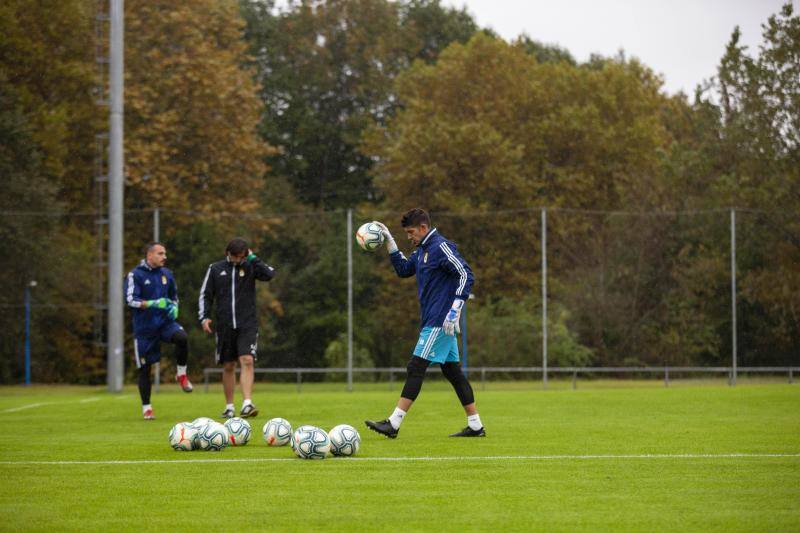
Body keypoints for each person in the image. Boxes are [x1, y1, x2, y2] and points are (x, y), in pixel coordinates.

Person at [365, 208, 485, 438]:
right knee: (452, 372)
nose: (409, 237)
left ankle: (393, 423)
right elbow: (403, 270)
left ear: (423, 227)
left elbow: (465, 274)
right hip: (434, 319)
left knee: (415, 367)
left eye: (411, 232)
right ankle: (476, 425)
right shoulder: (422, 251)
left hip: (440, 320)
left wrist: (456, 308)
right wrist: (389, 241)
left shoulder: (440, 247)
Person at [199, 238, 275, 419]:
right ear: (228, 254)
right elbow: (206, 294)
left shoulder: (250, 266)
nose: (239, 260)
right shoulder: (215, 269)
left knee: (247, 359)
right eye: (236, 257)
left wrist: (252, 257)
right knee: (228, 365)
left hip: (247, 323)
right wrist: (205, 317)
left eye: (242, 256)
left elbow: (269, 274)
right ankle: (229, 406)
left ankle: (247, 403)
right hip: (225, 325)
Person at [124, 242, 193, 420]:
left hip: (164, 323)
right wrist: (151, 303)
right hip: (145, 328)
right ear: (150, 256)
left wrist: (175, 308)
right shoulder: (135, 275)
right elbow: (130, 300)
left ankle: (181, 374)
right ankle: (147, 407)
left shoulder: (167, 274)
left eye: (165, 253)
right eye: (160, 254)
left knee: (182, 337)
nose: (165, 257)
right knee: (145, 369)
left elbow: (173, 297)